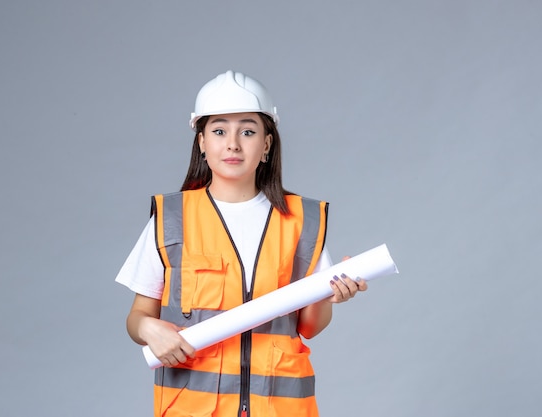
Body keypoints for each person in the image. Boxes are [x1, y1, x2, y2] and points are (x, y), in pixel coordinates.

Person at [115, 70, 367, 417]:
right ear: (202, 142)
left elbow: (309, 326)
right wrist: (147, 328)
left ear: (266, 144)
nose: (233, 143)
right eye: (219, 131)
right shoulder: (172, 218)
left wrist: (331, 292)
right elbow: (138, 316)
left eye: (247, 131)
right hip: (194, 409)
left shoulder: (301, 221)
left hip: (279, 408)